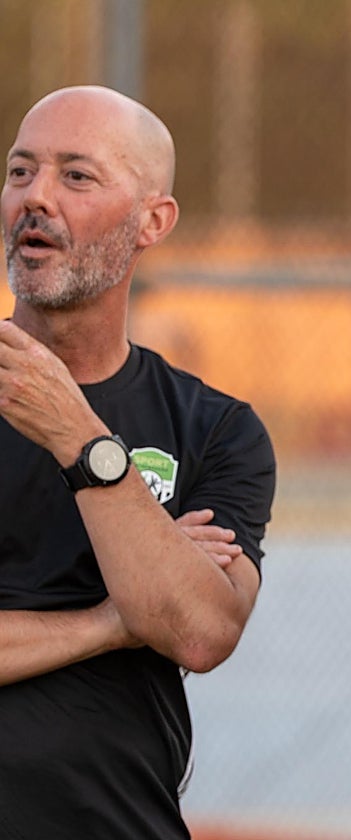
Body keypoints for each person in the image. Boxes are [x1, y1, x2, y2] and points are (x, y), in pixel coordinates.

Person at [0, 86, 275, 837]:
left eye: (76, 176)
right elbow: (156, 617)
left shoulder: (219, 430)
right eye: (20, 171)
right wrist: (112, 622)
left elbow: (199, 632)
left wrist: (82, 444)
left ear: (153, 220)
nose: (35, 198)